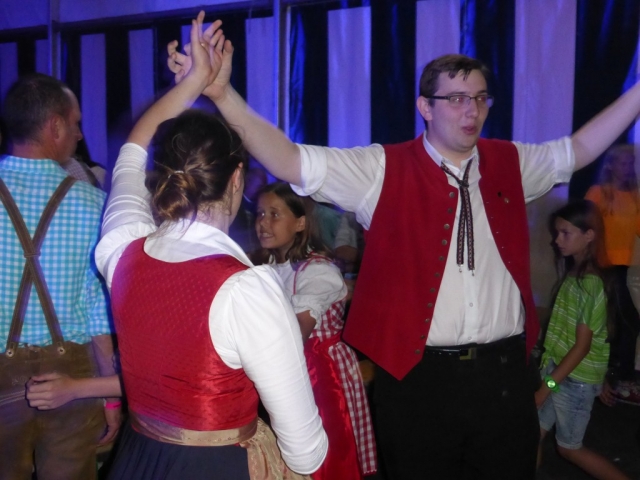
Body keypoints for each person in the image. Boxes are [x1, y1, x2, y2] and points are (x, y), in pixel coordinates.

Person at [167, 27, 640, 478]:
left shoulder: (511, 163)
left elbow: (580, 148)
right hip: (417, 377)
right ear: (425, 106)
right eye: (456, 98)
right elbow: (289, 159)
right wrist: (223, 95)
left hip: (502, 375)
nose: (472, 110)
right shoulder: (381, 169)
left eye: (480, 98)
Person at [95, 13, 327, 479]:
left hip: (135, 459)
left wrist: (191, 83)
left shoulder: (120, 250)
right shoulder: (247, 290)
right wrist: (201, 84)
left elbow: (132, 150)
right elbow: (306, 453)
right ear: (237, 178)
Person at [0, 74, 119, 479]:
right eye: (75, 123)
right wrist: (111, 395)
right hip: (71, 375)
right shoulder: (94, 203)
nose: (80, 134)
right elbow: (97, 310)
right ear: (54, 126)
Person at [254, 182, 377, 478]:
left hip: (321, 374)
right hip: (287, 368)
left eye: (274, 214)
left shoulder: (318, 271)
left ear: (300, 223)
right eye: (260, 214)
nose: (263, 222)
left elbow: (297, 334)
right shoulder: (266, 267)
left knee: (324, 452)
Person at [536, 200, 629, 480]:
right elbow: (594, 339)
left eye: (566, 233)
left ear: (589, 235)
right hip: (563, 374)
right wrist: (597, 377)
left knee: (569, 448)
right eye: (557, 233)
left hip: (569, 380)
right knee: (534, 433)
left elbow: (582, 346)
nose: (557, 240)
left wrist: (546, 388)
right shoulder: (577, 274)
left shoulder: (589, 283)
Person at [586, 144, 640, 380]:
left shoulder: (635, 195)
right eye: (623, 163)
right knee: (618, 319)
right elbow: (584, 225)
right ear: (611, 165)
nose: (628, 167)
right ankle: (618, 371)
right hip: (601, 263)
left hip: (622, 266)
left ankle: (616, 369)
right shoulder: (598, 192)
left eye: (631, 163)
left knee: (621, 318)